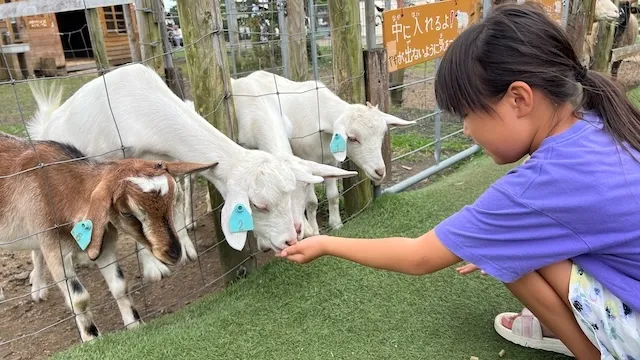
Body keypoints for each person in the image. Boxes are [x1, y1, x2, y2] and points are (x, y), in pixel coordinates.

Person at [275, 3, 640, 359]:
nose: (466, 129)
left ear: (519, 98)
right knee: (505, 244)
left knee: (505, 250)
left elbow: (418, 256)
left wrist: (327, 244)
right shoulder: (599, 120)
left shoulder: (539, 186)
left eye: (467, 113)